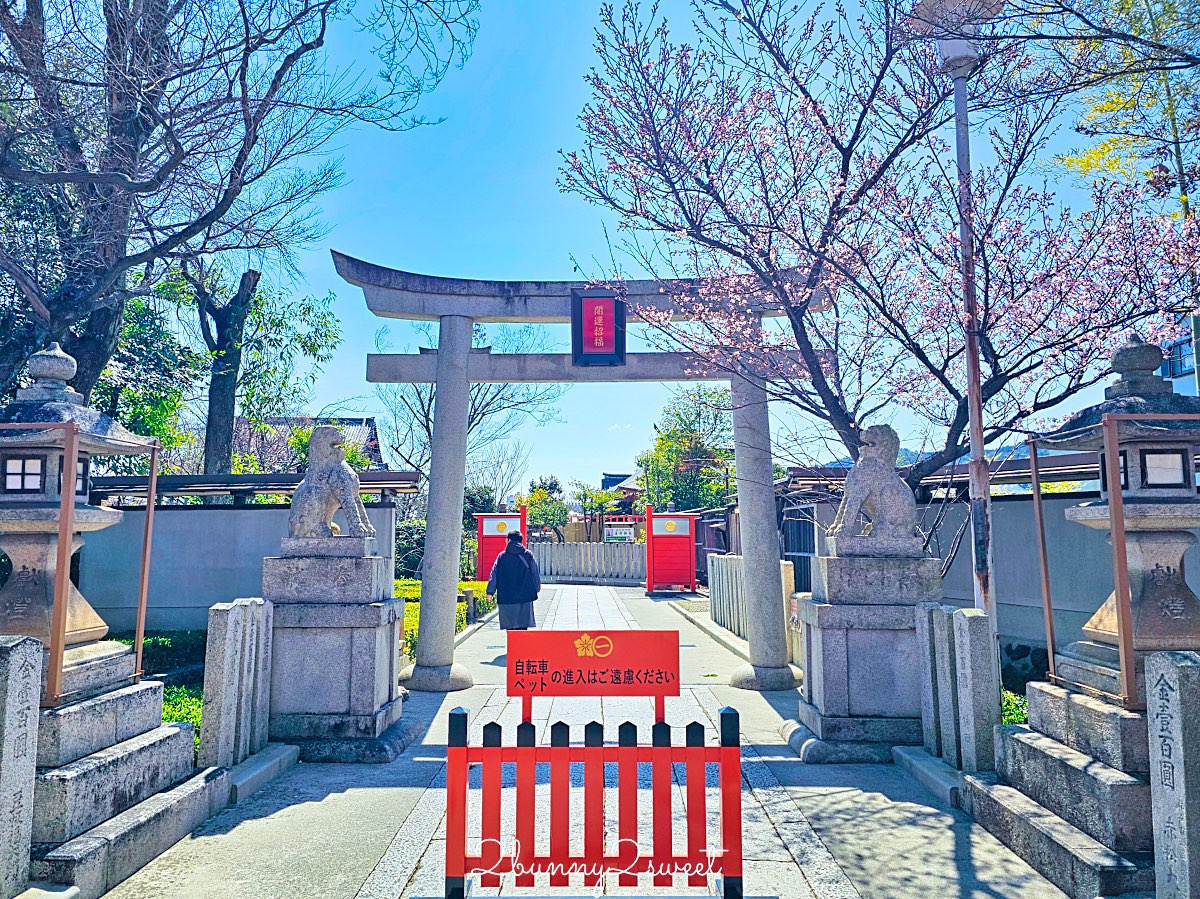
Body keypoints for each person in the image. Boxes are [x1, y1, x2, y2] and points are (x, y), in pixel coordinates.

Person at [486, 530, 540, 630]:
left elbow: (494, 574)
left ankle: (512, 645)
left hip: (507, 597)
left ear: (509, 540)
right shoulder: (528, 555)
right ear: (521, 541)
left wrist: (490, 592)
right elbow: (535, 574)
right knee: (523, 628)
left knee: (510, 629)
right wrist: (536, 589)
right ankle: (521, 645)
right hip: (525, 597)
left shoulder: (502, 556)